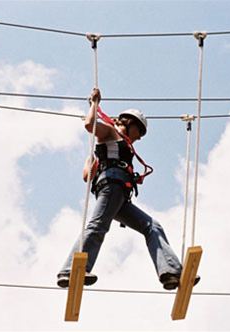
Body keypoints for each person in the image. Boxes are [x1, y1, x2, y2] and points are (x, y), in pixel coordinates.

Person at [57, 88, 200, 290]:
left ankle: (170, 271)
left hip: (120, 196)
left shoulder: (119, 144)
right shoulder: (110, 131)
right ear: (129, 123)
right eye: (139, 131)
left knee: (152, 226)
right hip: (111, 188)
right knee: (97, 227)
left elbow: (86, 177)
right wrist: (94, 104)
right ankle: (69, 270)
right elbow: (89, 126)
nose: (140, 137)